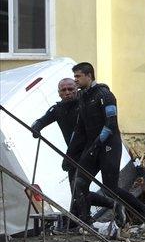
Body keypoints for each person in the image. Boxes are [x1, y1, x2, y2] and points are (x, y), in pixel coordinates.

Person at [68, 62, 145, 226]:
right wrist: (70, 153)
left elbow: (111, 123)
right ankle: (86, 222)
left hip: (109, 146)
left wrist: (98, 142)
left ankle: (144, 209)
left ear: (89, 76)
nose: (75, 80)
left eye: (78, 76)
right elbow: (79, 129)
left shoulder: (105, 95)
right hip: (92, 147)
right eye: (74, 77)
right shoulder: (83, 97)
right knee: (79, 182)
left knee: (110, 188)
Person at [31, 77, 116, 221]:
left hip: (91, 152)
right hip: (74, 154)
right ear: (59, 93)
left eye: (70, 89)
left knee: (79, 188)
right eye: (63, 90)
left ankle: (86, 219)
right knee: (77, 192)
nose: (67, 93)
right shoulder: (57, 109)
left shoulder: (84, 105)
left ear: (76, 89)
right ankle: (111, 205)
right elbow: (41, 121)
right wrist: (36, 128)